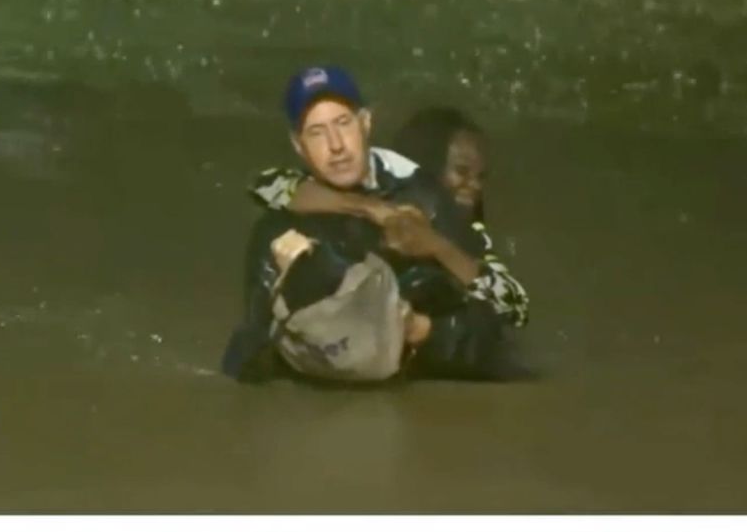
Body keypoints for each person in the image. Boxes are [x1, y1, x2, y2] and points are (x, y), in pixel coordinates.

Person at [222, 66, 520, 383]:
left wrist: (419, 326)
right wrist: (290, 294)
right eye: (317, 132)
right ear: (299, 145)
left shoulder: (422, 197)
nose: (336, 145)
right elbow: (245, 357)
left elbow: (503, 314)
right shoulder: (280, 226)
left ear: (365, 123)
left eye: (343, 123)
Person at [248, 96, 527, 328]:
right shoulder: (385, 184)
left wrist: (436, 246)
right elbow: (266, 185)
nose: (474, 187)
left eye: (481, 177)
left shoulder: (467, 225)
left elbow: (515, 308)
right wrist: (371, 209)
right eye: (462, 172)